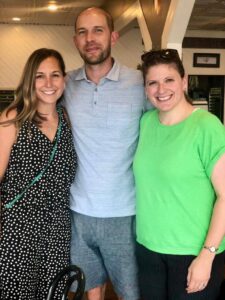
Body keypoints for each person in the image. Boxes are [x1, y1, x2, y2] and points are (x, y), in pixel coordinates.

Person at [64, 6, 149, 300]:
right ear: (75, 40)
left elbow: (168, 126)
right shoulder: (65, 84)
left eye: (98, 30)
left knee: (130, 293)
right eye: (83, 32)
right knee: (91, 289)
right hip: (78, 212)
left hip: (124, 214)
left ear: (113, 36)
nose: (90, 38)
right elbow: (29, 102)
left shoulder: (139, 84)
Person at [133, 48, 225, 300]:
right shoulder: (146, 122)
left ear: (184, 81)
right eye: (152, 82)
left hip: (192, 254)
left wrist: (207, 255)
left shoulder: (207, 126)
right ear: (145, 89)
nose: (161, 89)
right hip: (148, 250)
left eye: (169, 80)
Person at [0, 48, 77, 299]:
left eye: (55, 75)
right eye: (40, 76)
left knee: (53, 294)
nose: (48, 83)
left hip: (58, 229)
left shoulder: (66, 118)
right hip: (18, 231)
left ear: (64, 79)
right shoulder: (13, 119)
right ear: (29, 80)